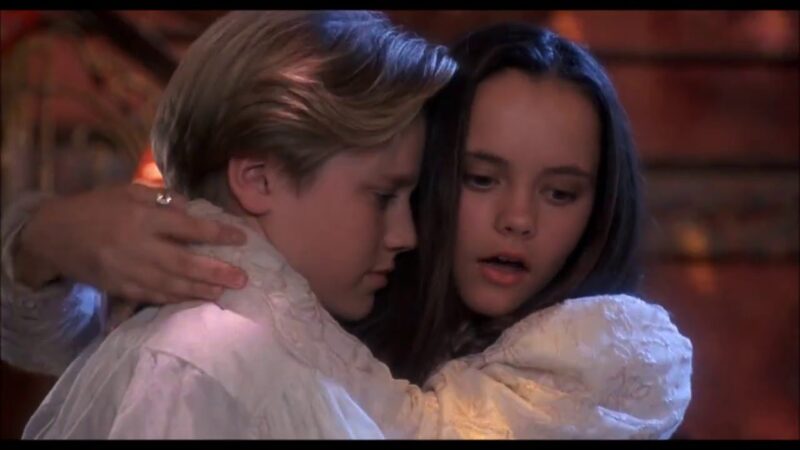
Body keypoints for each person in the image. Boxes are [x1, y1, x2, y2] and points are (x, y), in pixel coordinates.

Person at [2, 19, 692, 439]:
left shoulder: (602, 359)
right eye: (480, 178)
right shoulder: (342, 296)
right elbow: (75, 346)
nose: (519, 219)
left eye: (561, 192)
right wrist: (46, 234)